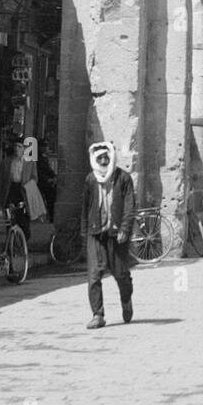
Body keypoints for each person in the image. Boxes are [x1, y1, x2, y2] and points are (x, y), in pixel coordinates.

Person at [82, 139, 135, 328]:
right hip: (95, 234)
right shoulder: (90, 179)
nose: (104, 161)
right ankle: (98, 314)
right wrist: (84, 233)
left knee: (121, 275)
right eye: (100, 158)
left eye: (107, 157)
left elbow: (130, 207)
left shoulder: (123, 178)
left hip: (116, 235)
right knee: (94, 276)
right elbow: (85, 208)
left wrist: (125, 229)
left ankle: (126, 300)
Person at [0, 139, 37, 243]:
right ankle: (11, 242)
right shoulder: (6, 162)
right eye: (15, 146)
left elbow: (34, 178)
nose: (16, 149)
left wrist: (28, 186)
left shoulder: (30, 163)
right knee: (10, 218)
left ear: (24, 149)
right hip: (10, 190)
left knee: (23, 218)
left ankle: (24, 240)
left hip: (23, 191)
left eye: (19, 147)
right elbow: (2, 180)